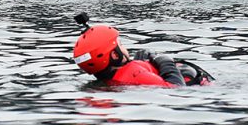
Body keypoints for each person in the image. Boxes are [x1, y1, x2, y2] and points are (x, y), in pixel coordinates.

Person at [72, 13, 212, 87]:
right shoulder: (134, 73)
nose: (124, 47)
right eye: (120, 44)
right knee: (189, 73)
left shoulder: (109, 81)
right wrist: (165, 61)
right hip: (198, 89)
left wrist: (142, 62)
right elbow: (176, 87)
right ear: (115, 55)